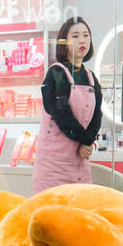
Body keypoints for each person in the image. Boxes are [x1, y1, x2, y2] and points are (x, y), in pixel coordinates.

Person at [33, 17, 103, 193]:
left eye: (86, 35)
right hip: (54, 166)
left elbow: (97, 115)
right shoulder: (56, 73)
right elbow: (60, 112)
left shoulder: (90, 77)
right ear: (64, 42)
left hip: (80, 162)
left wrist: (88, 141)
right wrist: (84, 140)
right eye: (76, 36)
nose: (82, 40)